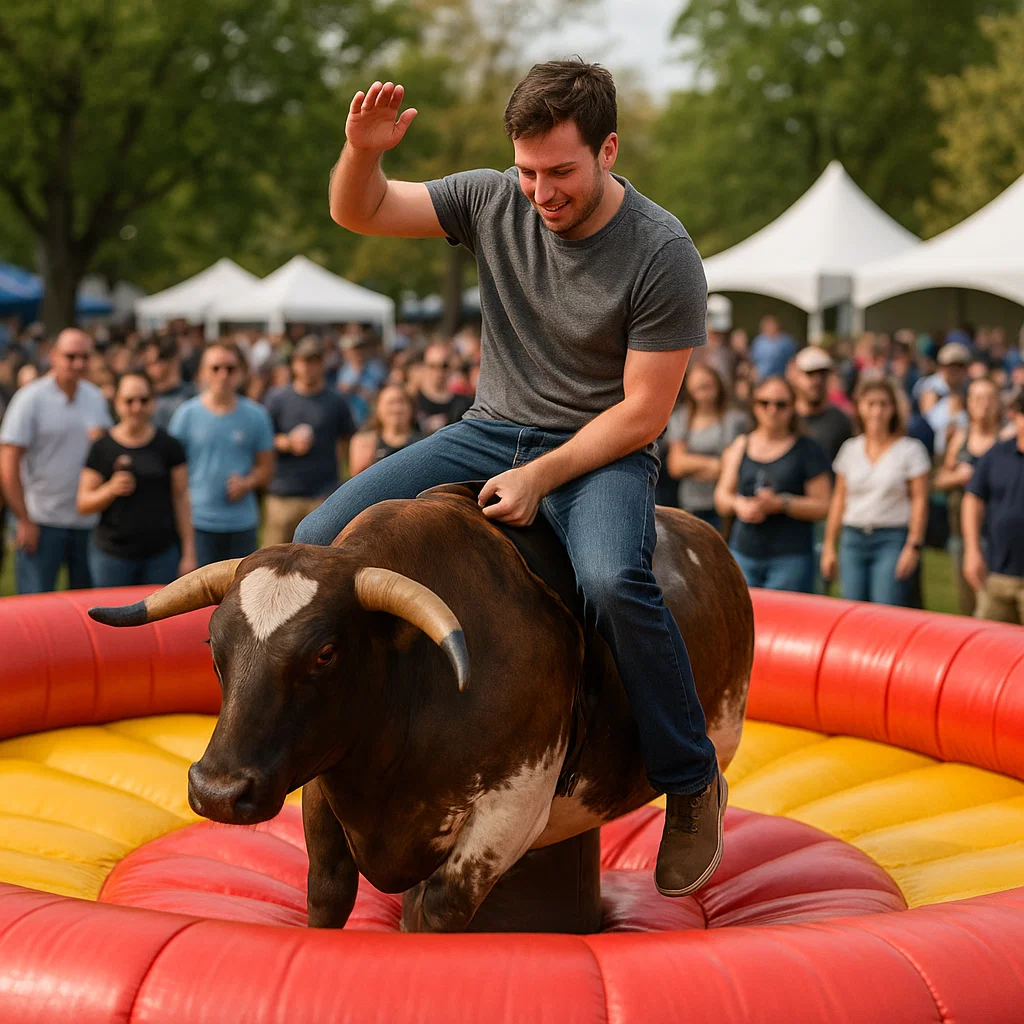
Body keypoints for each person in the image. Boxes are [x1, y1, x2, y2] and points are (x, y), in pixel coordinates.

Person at [300, 60, 725, 897]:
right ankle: (348, 751)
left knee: (612, 579)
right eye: (528, 171)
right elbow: (360, 210)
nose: (541, 192)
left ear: (608, 150)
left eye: (561, 172)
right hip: (489, 428)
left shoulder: (662, 250)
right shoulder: (493, 199)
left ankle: (689, 778)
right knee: (318, 544)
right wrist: (362, 152)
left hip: (600, 447)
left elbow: (644, 412)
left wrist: (540, 477)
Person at [0, 329, 112, 593]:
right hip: (41, 520)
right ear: (53, 356)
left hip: (87, 521)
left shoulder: (94, 397)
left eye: (85, 357)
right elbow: (8, 461)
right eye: (71, 356)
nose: (78, 364)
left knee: (87, 607)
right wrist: (24, 519)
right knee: (35, 607)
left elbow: (106, 452)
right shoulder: (31, 398)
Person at [77, 372, 196, 586]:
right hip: (112, 556)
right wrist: (110, 489)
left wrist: (188, 552)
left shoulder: (169, 446)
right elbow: (83, 503)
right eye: (129, 401)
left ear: (153, 402)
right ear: (117, 403)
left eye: (144, 400)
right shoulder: (102, 448)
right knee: (112, 609)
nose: (137, 407)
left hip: (161, 556)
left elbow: (181, 499)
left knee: (160, 610)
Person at [714, 376, 831, 593]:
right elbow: (722, 496)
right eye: (764, 403)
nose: (772, 410)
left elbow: (823, 506)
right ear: (754, 406)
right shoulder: (741, 444)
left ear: (793, 407)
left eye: (781, 404)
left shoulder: (808, 448)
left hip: (790, 557)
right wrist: (740, 505)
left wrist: (782, 503)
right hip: (744, 552)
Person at [821, 379, 931, 606]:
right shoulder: (850, 449)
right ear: (860, 408)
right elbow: (839, 499)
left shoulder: (910, 450)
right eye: (871, 404)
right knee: (852, 606)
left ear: (893, 409)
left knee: (886, 604)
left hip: (891, 537)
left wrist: (914, 545)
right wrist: (830, 545)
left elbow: (920, 500)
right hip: (853, 537)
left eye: (883, 404)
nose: (877, 411)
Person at [169, 342, 274, 566]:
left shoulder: (257, 416)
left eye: (230, 368)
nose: (223, 375)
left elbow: (266, 468)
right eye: (215, 368)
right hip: (198, 523)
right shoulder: (186, 415)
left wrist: (247, 482)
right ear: (202, 373)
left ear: (241, 373)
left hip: (242, 523)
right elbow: (173, 474)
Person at [263, 336, 355, 545]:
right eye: (303, 361)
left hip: (323, 496)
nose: (308, 368)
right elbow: (264, 440)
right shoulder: (278, 399)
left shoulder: (336, 401)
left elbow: (346, 440)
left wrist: (338, 481)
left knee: (320, 558)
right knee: (273, 557)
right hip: (283, 495)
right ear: (294, 364)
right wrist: (288, 442)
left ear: (322, 364)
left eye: (314, 361)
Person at [934, 377, 1002, 615]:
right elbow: (939, 480)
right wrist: (958, 477)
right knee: (967, 602)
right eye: (978, 398)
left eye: (990, 398)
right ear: (969, 403)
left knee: (995, 603)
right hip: (961, 531)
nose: (984, 404)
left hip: (997, 534)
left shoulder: (1008, 440)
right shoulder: (959, 439)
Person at [962, 391, 1024, 625]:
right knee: (987, 640)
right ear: (1015, 416)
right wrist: (972, 550)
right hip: (997, 573)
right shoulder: (996, 455)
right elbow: (973, 499)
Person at [666, 364, 747, 527]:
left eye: (707, 386)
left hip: (724, 504)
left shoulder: (734, 420)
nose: (704, 394)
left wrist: (692, 465)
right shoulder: (680, 419)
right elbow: (676, 466)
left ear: (718, 385)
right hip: (690, 503)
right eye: (698, 389)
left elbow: (735, 466)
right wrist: (714, 464)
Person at [791, 347, 853, 465]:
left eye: (822, 374)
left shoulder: (840, 421)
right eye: (810, 374)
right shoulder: (785, 417)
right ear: (796, 376)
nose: (817, 380)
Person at [349, 383, 424, 476]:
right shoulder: (365, 442)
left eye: (402, 402)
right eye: (390, 403)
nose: (397, 409)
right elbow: (356, 480)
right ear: (377, 408)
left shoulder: (423, 444)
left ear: (411, 408)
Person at [913, 342, 971, 457]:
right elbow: (929, 418)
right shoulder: (931, 386)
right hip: (931, 446)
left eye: (960, 366)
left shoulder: (968, 388)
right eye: (950, 366)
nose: (955, 370)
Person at [414, 342, 473, 434]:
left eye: (444, 366)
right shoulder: (413, 402)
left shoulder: (464, 404)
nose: (438, 371)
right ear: (424, 366)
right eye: (432, 366)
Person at [143, 339, 196, 430]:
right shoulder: (144, 398)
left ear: (172, 361)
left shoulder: (191, 396)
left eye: (153, 362)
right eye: (147, 363)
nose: (148, 369)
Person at [749, 315, 796, 382]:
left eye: (772, 326)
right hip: (762, 378)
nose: (770, 328)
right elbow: (753, 360)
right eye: (768, 326)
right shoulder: (758, 342)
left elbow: (792, 359)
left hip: (781, 377)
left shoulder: (786, 342)